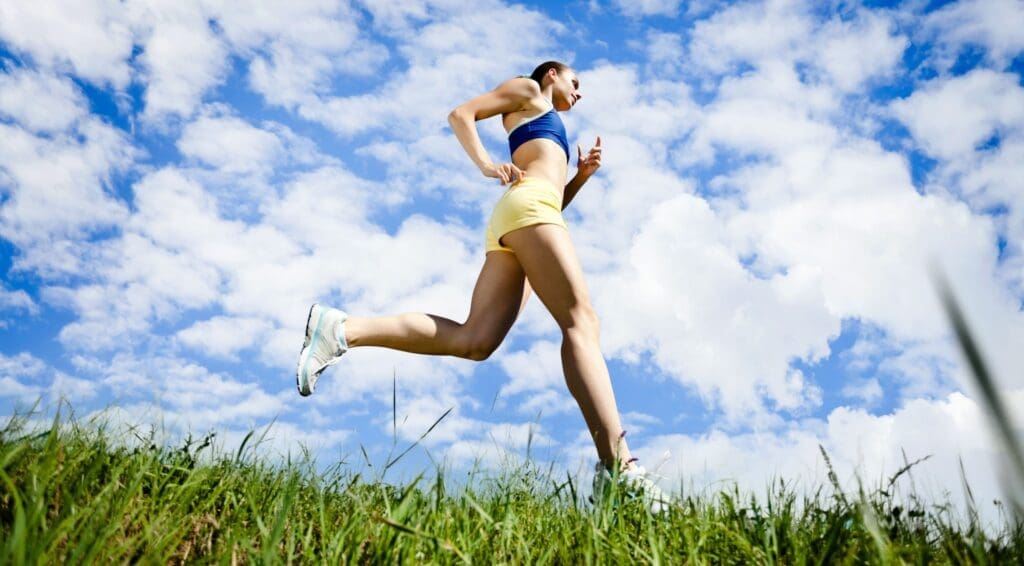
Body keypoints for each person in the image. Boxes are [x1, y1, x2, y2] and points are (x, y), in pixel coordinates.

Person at [296, 61, 669, 513]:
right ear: (552, 74)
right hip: (528, 209)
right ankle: (619, 469)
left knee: (475, 340)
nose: (579, 92)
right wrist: (487, 165)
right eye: (576, 82)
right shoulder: (529, 90)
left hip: (523, 215)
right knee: (581, 323)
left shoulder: (544, 125)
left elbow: (550, 201)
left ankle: (342, 330)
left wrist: (580, 178)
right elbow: (461, 114)